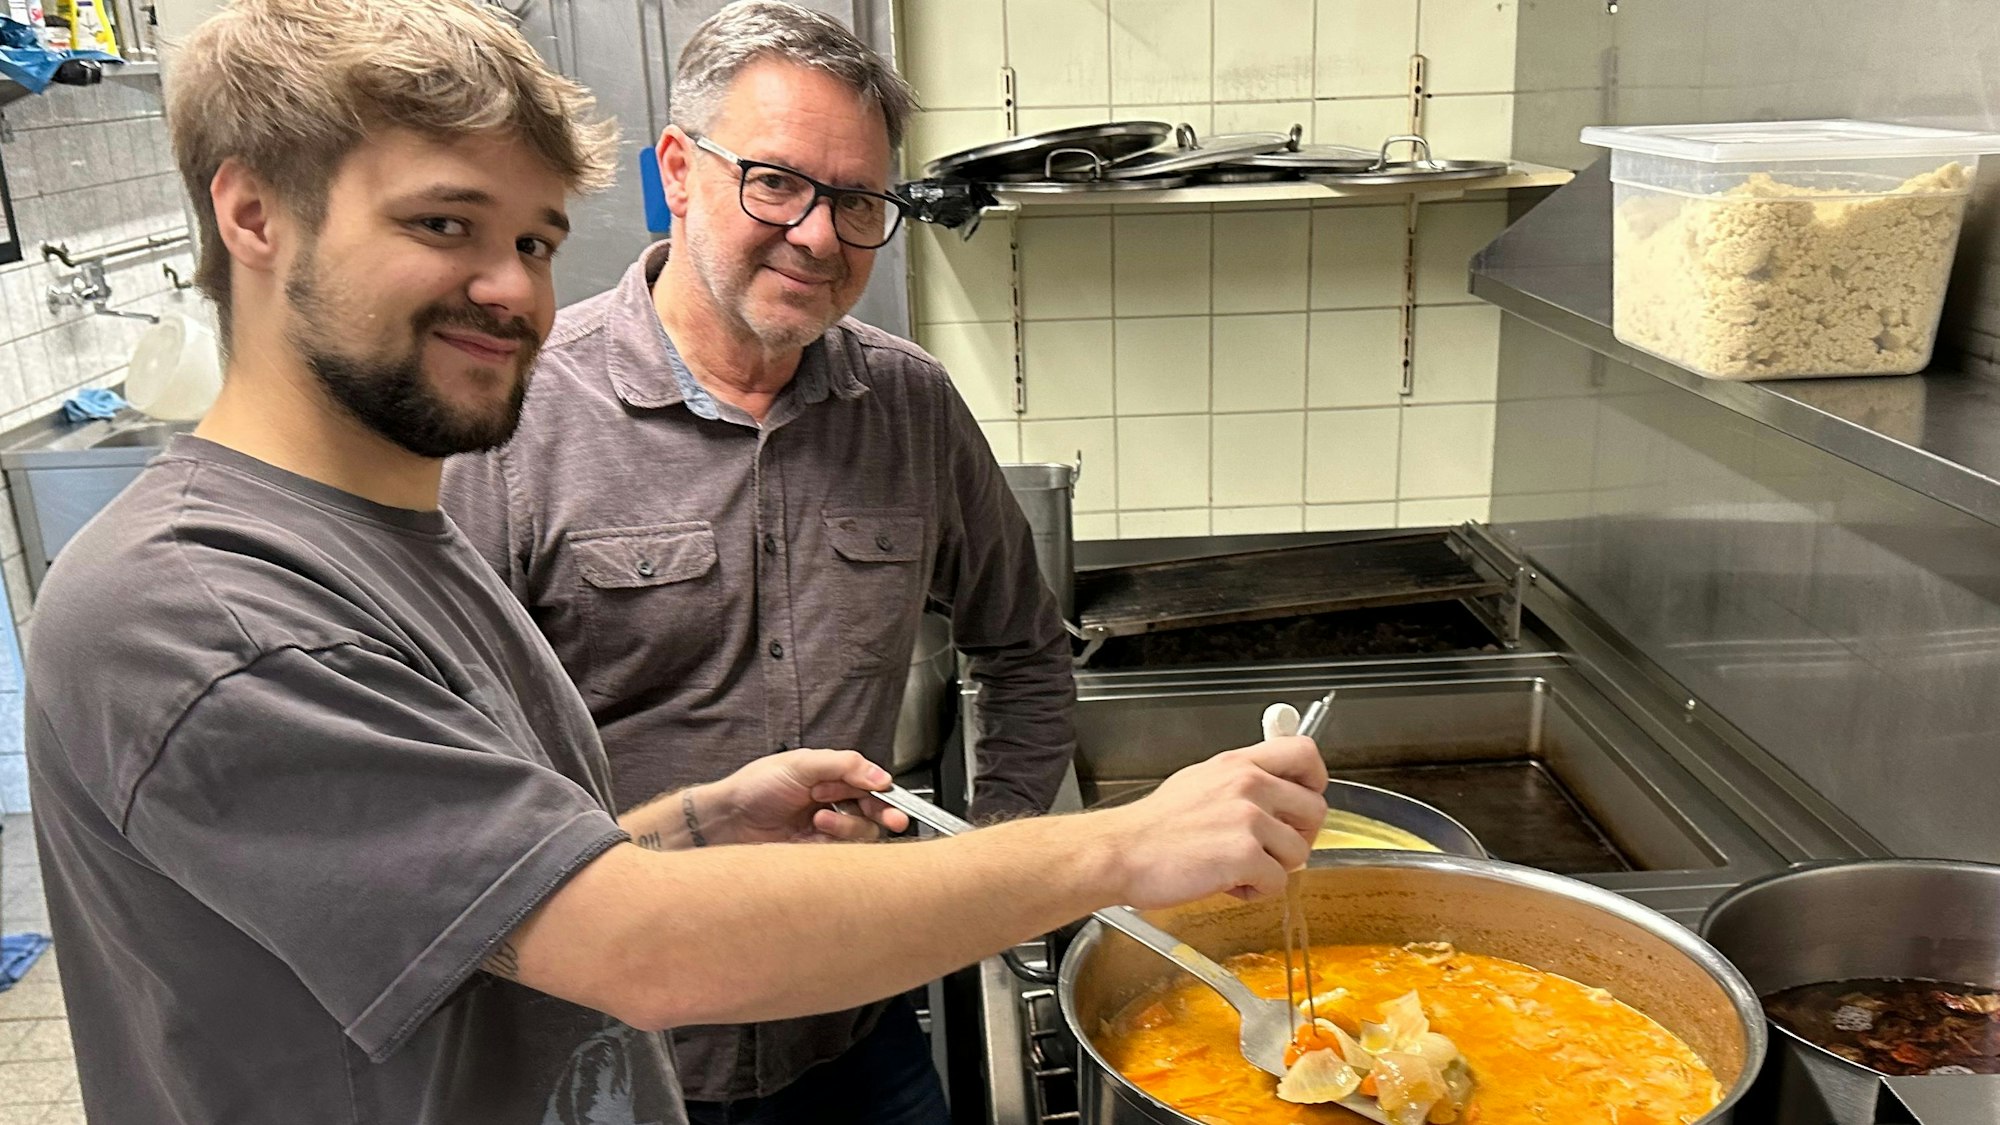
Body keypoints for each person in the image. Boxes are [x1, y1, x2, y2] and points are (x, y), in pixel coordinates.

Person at [23, 2, 1330, 1123]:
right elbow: (625, 946)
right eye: (440, 225)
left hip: (770, 1039)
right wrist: (1120, 850)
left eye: (530, 241)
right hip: (655, 1025)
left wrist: (706, 817)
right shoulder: (206, 611)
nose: (513, 297)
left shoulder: (387, 534)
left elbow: (491, 879)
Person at [439, 4, 1074, 1117]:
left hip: (854, 1023)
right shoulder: (518, 415)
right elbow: (449, 763)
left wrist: (995, 853)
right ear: (678, 171)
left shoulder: (910, 406)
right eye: (775, 183)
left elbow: (1023, 649)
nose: (821, 237)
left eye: (859, 201)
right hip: (612, 1057)